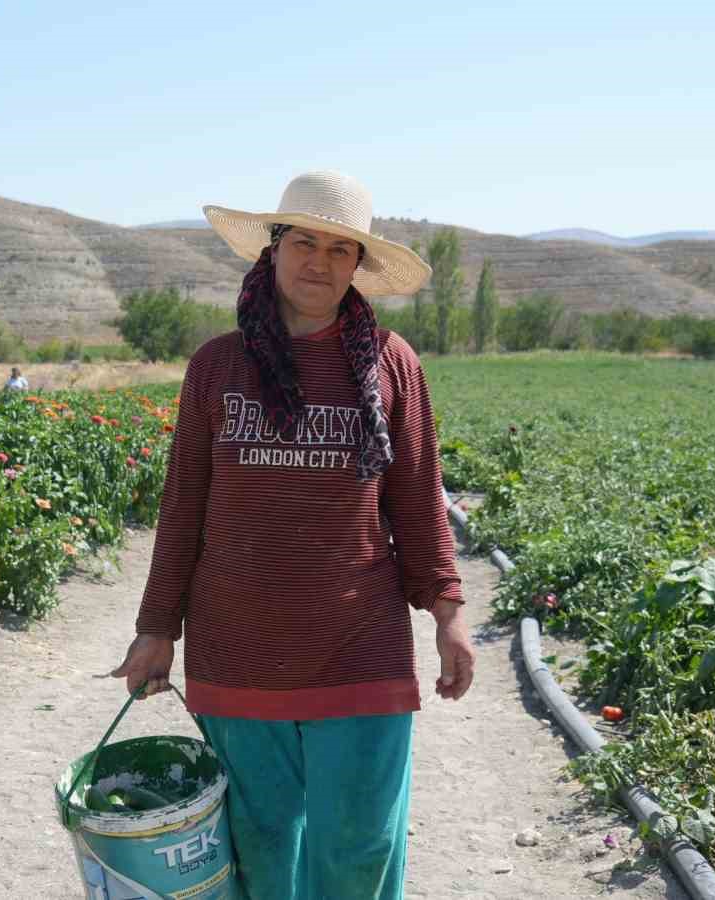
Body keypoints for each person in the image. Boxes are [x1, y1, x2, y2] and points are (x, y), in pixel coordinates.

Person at [111, 170, 475, 900]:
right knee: (259, 849)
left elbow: (416, 502)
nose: (319, 261)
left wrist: (449, 613)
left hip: (360, 646)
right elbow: (184, 507)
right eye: (303, 242)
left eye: (341, 250)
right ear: (271, 251)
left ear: (358, 266)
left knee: (360, 846)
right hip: (238, 648)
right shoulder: (218, 366)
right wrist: (157, 628)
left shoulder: (391, 363)